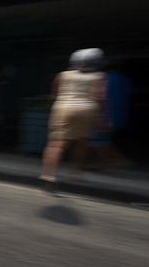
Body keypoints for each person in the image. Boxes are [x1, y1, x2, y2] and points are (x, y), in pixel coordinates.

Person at [39, 48, 106, 190]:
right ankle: (75, 174)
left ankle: (49, 174)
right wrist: (101, 118)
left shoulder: (63, 75)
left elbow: (54, 95)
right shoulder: (99, 76)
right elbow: (99, 98)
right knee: (82, 142)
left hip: (64, 108)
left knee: (56, 144)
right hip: (88, 109)